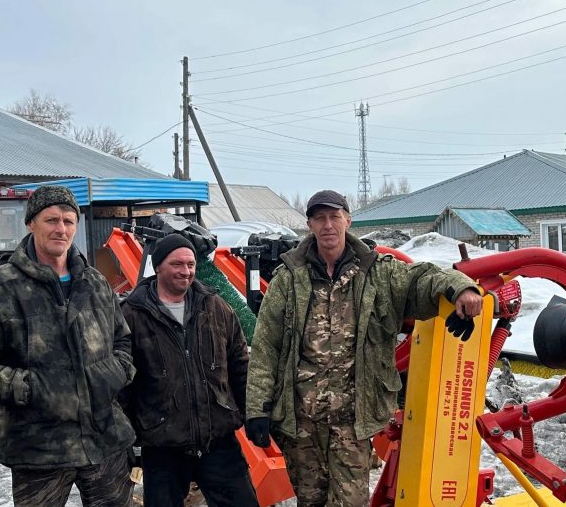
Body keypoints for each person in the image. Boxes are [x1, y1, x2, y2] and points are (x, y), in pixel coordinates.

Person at [244, 189, 482, 507]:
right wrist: (257, 410)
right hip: (301, 423)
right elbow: (265, 348)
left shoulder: (378, 272)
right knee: (310, 501)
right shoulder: (288, 279)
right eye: (320, 218)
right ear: (310, 225)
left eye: (334, 216)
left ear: (347, 220)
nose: (328, 225)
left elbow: (423, 278)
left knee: (350, 502)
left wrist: (461, 289)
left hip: (351, 422)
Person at [0, 185, 136, 507]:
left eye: (68, 221)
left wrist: (114, 373)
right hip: (38, 447)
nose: (61, 229)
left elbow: (122, 340)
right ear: (31, 224)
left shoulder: (94, 283)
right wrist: (31, 389)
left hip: (104, 438)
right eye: (51, 220)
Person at [120, 233, 259, 507]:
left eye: (190, 264)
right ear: (158, 266)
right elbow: (122, 384)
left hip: (217, 439)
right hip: (162, 445)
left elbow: (240, 365)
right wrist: (125, 439)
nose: (186, 271)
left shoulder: (216, 308)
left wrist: (252, 413)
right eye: (177, 264)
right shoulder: (131, 315)